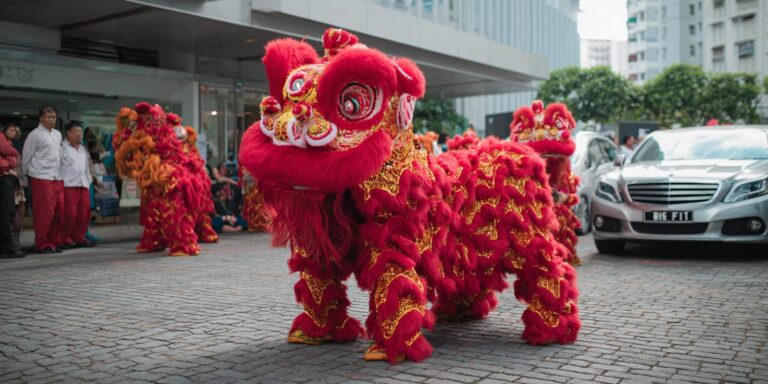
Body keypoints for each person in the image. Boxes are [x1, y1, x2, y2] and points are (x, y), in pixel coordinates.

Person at [22, 106, 65, 254]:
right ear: (41, 118)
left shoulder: (58, 134)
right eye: (48, 117)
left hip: (56, 177)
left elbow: (59, 155)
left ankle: (53, 241)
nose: (51, 119)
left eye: (53, 117)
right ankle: (41, 243)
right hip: (40, 177)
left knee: (58, 212)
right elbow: (26, 157)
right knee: (44, 213)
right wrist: (26, 176)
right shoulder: (35, 135)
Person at [59, 121, 95, 248]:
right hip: (69, 185)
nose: (80, 135)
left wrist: (89, 180)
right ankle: (63, 238)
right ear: (68, 133)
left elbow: (86, 167)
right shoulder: (62, 148)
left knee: (83, 214)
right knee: (69, 214)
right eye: (76, 132)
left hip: (83, 185)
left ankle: (78, 237)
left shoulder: (82, 149)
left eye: (81, 132)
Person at [0, 123, 25, 258]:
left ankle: (10, 246)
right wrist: (13, 155)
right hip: (5, 178)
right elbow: (8, 157)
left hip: (9, 178)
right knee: (6, 214)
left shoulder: (11, 142)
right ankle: (7, 248)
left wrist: (10, 161)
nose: (14, 132)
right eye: (11, 129)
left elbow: (14, 162)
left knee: (10, 213)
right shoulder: (1, 138)